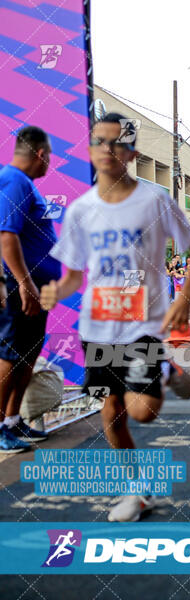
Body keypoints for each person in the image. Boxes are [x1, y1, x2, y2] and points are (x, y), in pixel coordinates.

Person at [40, 113, 190, 521]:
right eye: (100, 142)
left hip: (142, 326)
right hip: (97, 327)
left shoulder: (154, 201)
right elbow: (74, 274)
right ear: (91, 149)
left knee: (140, 412)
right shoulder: (80, 210)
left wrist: (184, 298)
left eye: (116, 143)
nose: (107, 150)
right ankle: (136, 491)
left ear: (132, 152)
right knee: (109, 412)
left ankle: (165, 371)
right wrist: (55, 292)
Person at [0, 126, 60, 453]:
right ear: (40, 154)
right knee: (10, 354)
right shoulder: (13, 180)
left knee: (28, 354)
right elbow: (6, 236)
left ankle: (12, 421)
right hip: (20, 286)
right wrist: (24, 282)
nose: (49, 162)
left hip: (38, 287)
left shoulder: (25, 184)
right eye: (48, 156)